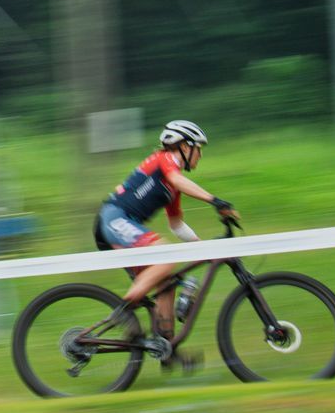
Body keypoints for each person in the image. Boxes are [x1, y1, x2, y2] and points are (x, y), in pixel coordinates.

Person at [94, 121, 239, 366]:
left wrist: (203, 246)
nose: (200, 155)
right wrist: (216, 201)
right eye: (198, 149)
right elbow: (178, 179)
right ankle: (123, 312)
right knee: (166, 255)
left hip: (121, 224)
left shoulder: (172, 188)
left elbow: (177, 225)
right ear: (183, 146)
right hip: (114, 218)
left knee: (167, 286)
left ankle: (167, 350)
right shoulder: (165, 159)